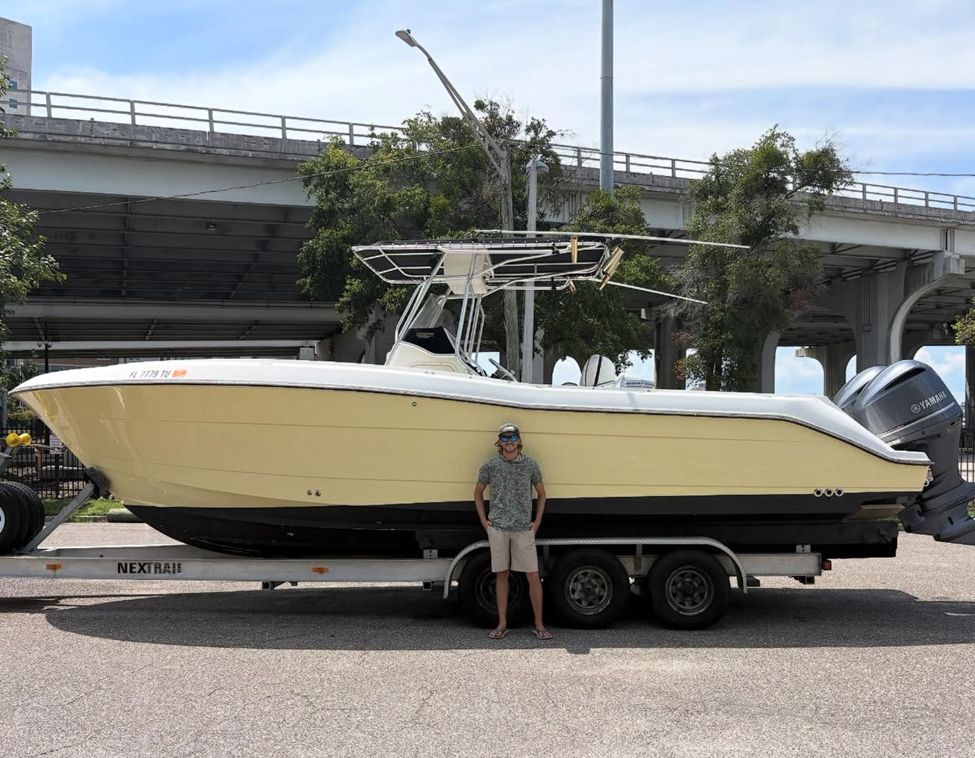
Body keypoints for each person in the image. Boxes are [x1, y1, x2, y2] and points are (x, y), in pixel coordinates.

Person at [473, 423, 553, 641]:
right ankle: (501, 623)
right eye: (505, 438)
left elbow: (542, 493)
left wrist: (536, 522)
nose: (509, 442)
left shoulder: (530, 465)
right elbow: (478, 493)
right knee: (502, 574)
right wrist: (484, 521)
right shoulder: (490, 465)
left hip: (522, 529)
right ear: (500, 442)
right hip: (498, 528)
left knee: (533, 576)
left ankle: (538, 624)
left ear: (519, 440)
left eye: (513, 437)